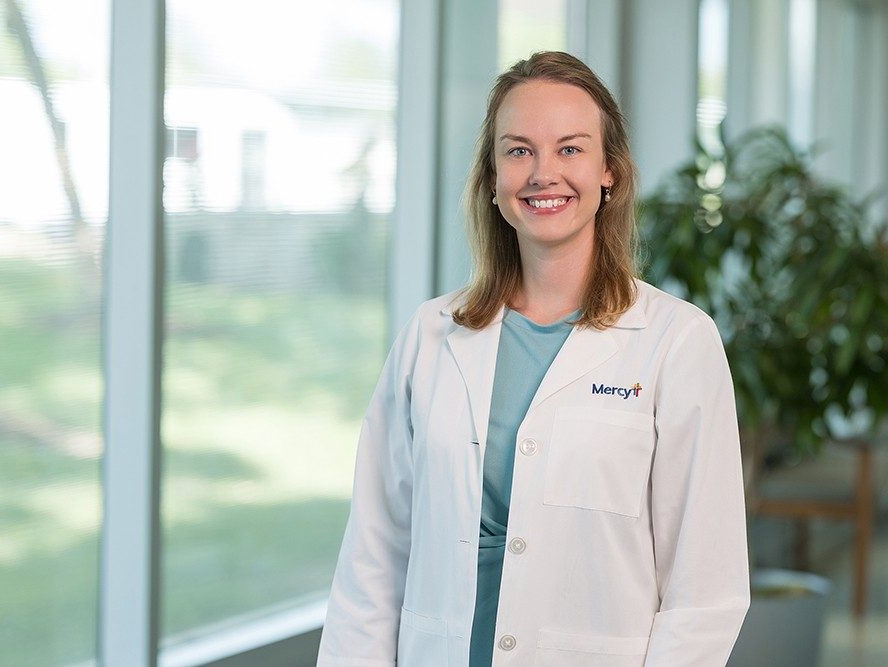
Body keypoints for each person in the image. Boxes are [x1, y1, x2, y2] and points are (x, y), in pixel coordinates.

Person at [317, 51, 750, 666]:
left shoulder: (676, 342)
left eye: (570, 149)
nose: (544, 173)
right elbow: (374, 556)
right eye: (519, 150)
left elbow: (705, 590)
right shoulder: (431, 336)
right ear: (492, 179)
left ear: (611, 174)